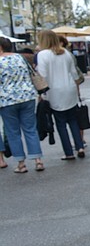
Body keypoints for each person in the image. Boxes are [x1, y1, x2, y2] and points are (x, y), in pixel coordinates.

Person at [36, 30, 85, 160]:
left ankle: (68, 152)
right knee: (73, 120)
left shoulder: (43, 55)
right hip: (70, 89)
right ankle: (79, 146)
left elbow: (43, 75)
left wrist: (41, 94)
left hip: (54, 92)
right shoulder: (66, 53)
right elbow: (74, 73)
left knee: (60, 123)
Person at [0, 36, 45, 172]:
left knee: (13, 132)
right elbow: (31, 74)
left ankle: (21, 163)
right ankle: (38, 160)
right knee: (30, 129)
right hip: (27, 96)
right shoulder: (21, 58)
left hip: (6, 100)